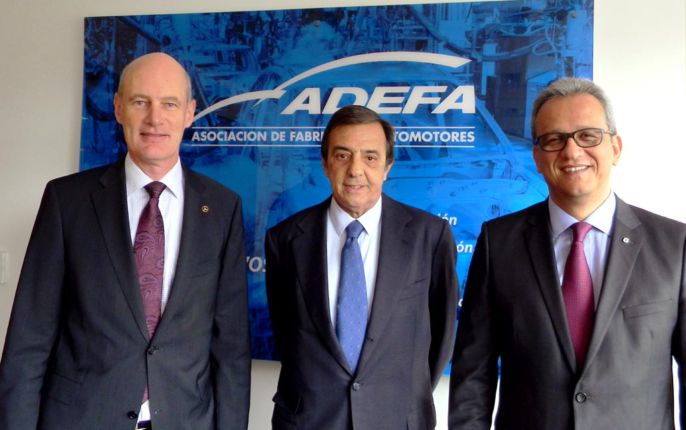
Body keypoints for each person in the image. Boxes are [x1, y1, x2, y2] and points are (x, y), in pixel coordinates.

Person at [0, 52, 251, 430]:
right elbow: (29, 339)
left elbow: (230, 347)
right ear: (118, 108)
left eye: (170, 104)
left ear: (189, 113)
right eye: (140, 102)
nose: (155, 118)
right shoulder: (67, 201)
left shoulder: (222, 208)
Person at [448, 77, 686, 429]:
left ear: (615, 148)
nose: (572, 152)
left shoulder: (675, 244)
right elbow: (473, 375)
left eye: (588, 136)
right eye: (554, 139)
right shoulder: (498, 243)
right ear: (537, 157)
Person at [265, 104, 459, 430]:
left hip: (398, 420)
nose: (356, 169)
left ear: (387, 166)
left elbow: (441, 334)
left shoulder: (430, 235)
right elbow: (286, 333)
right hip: (309, 420)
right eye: (343, 155)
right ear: (326, 164)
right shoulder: (285, 239)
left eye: (370, 157)